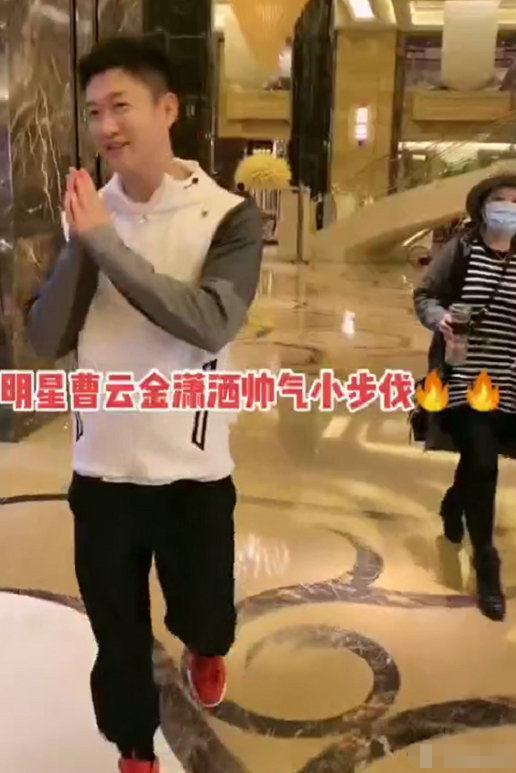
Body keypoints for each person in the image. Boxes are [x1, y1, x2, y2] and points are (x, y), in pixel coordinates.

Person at [27, 35, 263, 773]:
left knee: (206, 610)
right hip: (102, 468)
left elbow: (209, 322)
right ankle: (134, 747)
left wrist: (107, 244)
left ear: (168, 109)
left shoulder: (228, 216)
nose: (105, 126)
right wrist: (82, 242)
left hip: (193, 469)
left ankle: (206, 645)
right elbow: (45, 337)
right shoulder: (89, 214)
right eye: (94, 111)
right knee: (117, 632)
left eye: (120, 106)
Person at [414, 173, 516, 623]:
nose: (509, 208)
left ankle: (455, 501)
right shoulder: (462, 250)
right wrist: (439, 318)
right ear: (482, 207)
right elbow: (425, 295)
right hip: (463, 378)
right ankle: (486, 561)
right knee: (483, 461)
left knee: (481, 460)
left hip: (513, 382)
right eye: (501, 199)